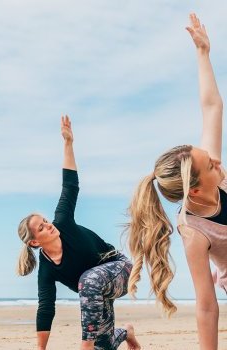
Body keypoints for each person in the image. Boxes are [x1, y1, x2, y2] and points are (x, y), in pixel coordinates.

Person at [127, 13, 224, 350]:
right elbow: (207, 306)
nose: (217, 159)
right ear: (194, 189)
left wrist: (203, 54)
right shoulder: (194, 231)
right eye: (210, 164)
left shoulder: (212, 175)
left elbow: (212, 106)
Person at [17, 116, 141, 350]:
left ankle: (85, 345)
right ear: (34, 242)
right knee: (103, 346)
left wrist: (68, 144)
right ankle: (125, 332)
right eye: (42, 227)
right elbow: (46, 308)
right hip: (97, 294)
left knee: (88, 280)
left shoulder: (62, 221)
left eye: (45, 221)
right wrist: (40, 349)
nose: (48, 225)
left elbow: (69, 185)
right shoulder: (46, 270)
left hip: (121, 270)